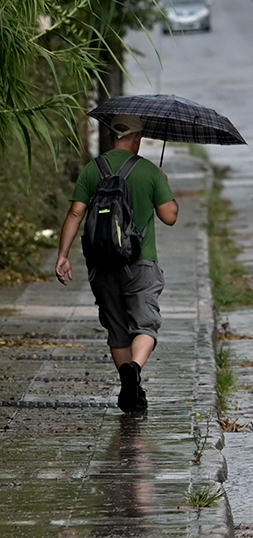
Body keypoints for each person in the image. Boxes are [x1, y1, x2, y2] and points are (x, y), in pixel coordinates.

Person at [55, 114, 179, 413]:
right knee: (145, 324)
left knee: (117, 329)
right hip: (140, 263)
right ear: (137, 139)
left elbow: (75, 214)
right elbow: (170, 217)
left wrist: (63, 255)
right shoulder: (148, 171)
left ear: (112, 137)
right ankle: (134, 370)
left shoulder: (92, 169)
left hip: (101, 264)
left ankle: (131, 392)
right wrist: (163, 184)